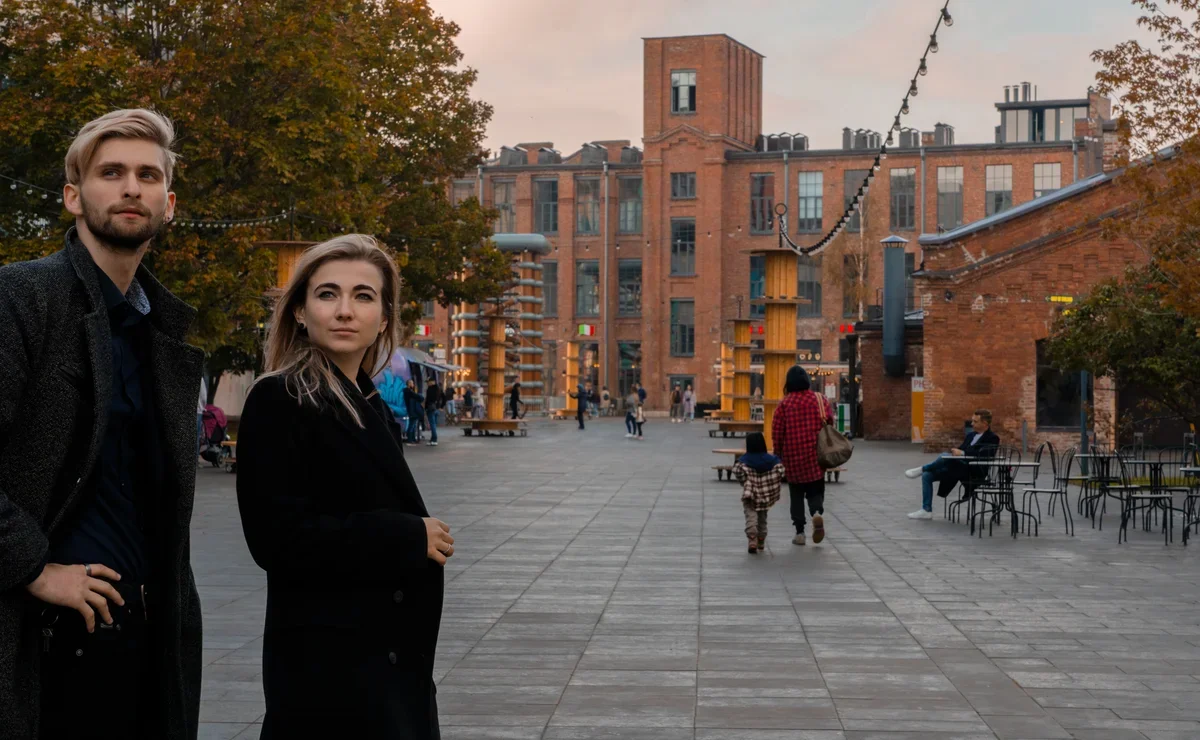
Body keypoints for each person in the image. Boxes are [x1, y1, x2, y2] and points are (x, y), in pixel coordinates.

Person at [0, 108, 203, 739]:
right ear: (73, 196)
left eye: (148, 175)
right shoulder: (21, 298)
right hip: (46, 645)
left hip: (147, 642)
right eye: (110, 172)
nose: (131, 187)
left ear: (168, 204)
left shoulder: (161, 328)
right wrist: (33, 568)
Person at [236, 234, 452, 739]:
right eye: (327, 294)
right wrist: (408, 536)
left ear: (384, 317)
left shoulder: (368, 400)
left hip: (383, 672)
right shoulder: (280, 397)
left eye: (363, 296)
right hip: (332, 677)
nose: (344, 311)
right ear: (300, 311)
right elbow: (277, 540)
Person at [772, 366, 834, 546]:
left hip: (793, 458)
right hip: (816, 455)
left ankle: (800, 533)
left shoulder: (784, 404)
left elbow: (777, 432)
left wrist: (777, 455)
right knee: (816, 489)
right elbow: (830, 422)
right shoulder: (820, 399)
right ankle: (816, 512)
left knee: (796, 494)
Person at [906, 409, 1000, 520]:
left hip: (974, 471)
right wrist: (957, 452)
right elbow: (961, 449)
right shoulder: (970, 435)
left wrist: (963, 453)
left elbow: (985, 455)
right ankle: (926, 510)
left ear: (985, 423)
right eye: (972, 421)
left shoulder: (992, 438)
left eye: (975, 421)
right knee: (927, 475)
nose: (972, 424)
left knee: (943, 456)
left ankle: (922, 468)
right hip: (958, 468)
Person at [734, 433, 786, 554]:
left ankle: (752, 539)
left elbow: (737, 471)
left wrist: (745, 481)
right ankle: (761, 539)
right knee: (762, 516)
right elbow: (781, 471)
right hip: (765, 495)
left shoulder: (744, 460)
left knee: (750, 515)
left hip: (750, 493)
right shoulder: (772, 460)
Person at [403, 378, 424, 445]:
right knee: (412, 425)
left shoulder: (409, 391)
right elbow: (419, 397)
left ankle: (412, 439)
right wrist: (421, 397)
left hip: (412, 411)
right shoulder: (408, 392)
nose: (413, 384)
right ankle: (410, 439)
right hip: (412, 411)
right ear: (409, 384)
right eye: (412, 383)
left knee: (413, 425)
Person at [424, 377, 442, 446]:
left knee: (432, 424)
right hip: (436, 408)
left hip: (431, 408)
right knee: (434, 424)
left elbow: (428, 399)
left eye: (428, 382)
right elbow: (443, 397)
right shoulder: (438, 388)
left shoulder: (430, 389)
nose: (427, 383)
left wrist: (426, 407)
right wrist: (440, 406)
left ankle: (434, 439)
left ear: (432, 382)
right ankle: (432, 439)